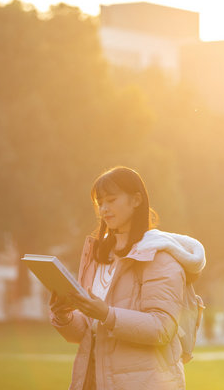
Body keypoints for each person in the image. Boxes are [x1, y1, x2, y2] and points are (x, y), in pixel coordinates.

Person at [49, 166, 206, 390]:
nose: (104, 208)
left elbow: (162, 328)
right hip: (92, 381)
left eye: (111, 200)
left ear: (136, 200)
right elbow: (88, 333)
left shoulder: (160, 256)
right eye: (99, 202)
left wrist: (105, 313)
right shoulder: (100, 255)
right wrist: (63, 314)